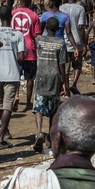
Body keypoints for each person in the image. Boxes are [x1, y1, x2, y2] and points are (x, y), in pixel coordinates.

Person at [0, 5, 26, 148]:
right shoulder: (18, 35)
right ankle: (0, 138)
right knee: (8, 105)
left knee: (0, 103)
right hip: (12, 73)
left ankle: (5, 131)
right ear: (11, 17)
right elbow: (21, 57)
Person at [32, 16, 67, 153]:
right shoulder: (60, 43)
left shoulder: (39, 40)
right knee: (53, 109)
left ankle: (39, 132)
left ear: (46, 27)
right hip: (54, 77)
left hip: (41, 75)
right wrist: (64, 82)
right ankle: (51, 137)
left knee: (39, 107)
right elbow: (62, 64)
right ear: (58, 29)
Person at [11, 0, 42, 112]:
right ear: (29, 0)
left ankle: (16, 95)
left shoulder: (12, 13)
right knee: (30, 78)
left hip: (15, 49)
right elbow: (36, 34)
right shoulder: (34, 15)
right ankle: (29, 102)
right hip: (29, 49)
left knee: (15, 75)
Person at [61, 0, 88, 95]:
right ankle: (74, 84)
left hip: (64, 42)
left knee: (65, 68)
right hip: (77, 41)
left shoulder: (61, 8)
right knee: (77, 65)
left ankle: (66, 89)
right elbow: (81, 27)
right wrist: (85, 44)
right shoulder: (80, 9)